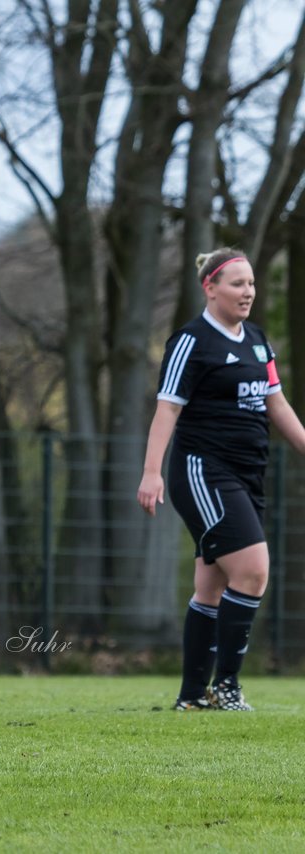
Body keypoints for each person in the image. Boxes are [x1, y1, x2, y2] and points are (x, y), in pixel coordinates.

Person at [137, 248, 305, 711]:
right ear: (210, 287)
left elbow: (277, 403)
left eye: (251, 283)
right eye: (236, 283)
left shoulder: (256, 340)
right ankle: (226, 687)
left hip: (248, 474)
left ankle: (192, 697)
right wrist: (152, 473)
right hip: (203, 470)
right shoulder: (191, 341)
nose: (247, 291)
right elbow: (167, 408)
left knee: (210, 587)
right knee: (252, 571)